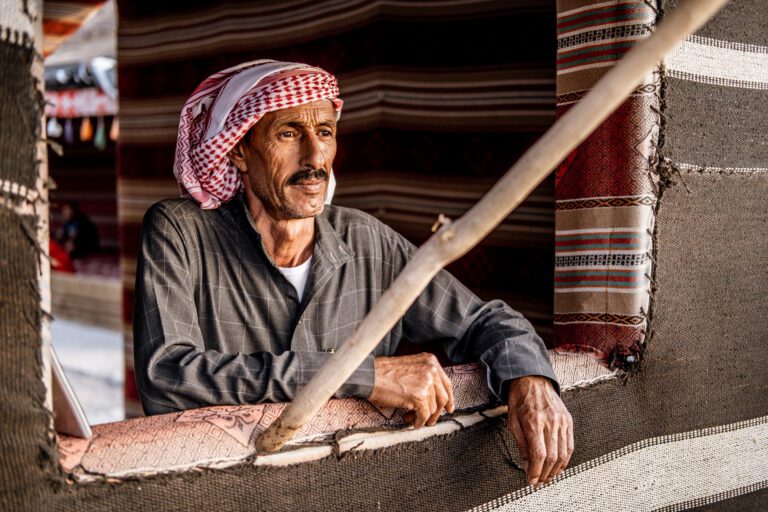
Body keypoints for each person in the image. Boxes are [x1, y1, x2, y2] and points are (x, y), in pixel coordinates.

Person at [134, 60, 573, 486]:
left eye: (324, 132)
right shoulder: (179, 231)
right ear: (239, 151)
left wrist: (530, 380)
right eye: (288, 133)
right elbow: (167, 377)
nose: (314, 156)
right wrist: (364, 375)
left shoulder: (367, 240)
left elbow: (483, 321)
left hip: (350, 487)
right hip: (229, 490)